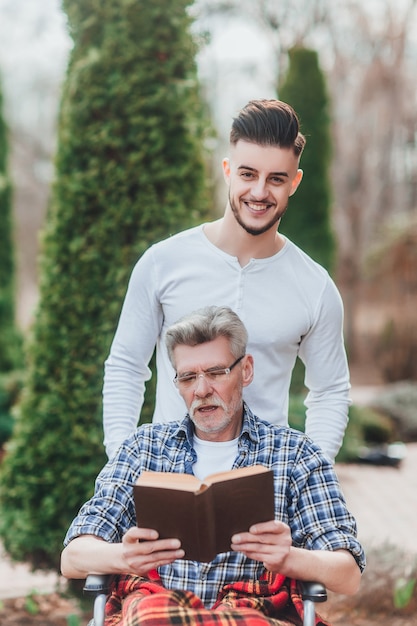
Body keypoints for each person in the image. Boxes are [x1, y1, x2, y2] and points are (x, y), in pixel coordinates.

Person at [62, 306, 365, 626]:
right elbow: (72, 557)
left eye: (217, 372)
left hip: (252, 612)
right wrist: (123, 556)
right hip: (158, 611)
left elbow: (348, 575)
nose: (202, 390)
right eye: (188, 377)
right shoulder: (143, 449)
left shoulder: (296, 454)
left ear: (246, 370)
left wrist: (289, 558)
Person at [103, 98, 351, 462]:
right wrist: (123, 465)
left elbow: (330, 391)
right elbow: (126, 366)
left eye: (276, 179)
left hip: (264, 486)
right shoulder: (162, 263)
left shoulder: (314, 287)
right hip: (171, 480)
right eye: (248, 174)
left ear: (294, 183)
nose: (259, 192)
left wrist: (309, 474)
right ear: (227, 170)